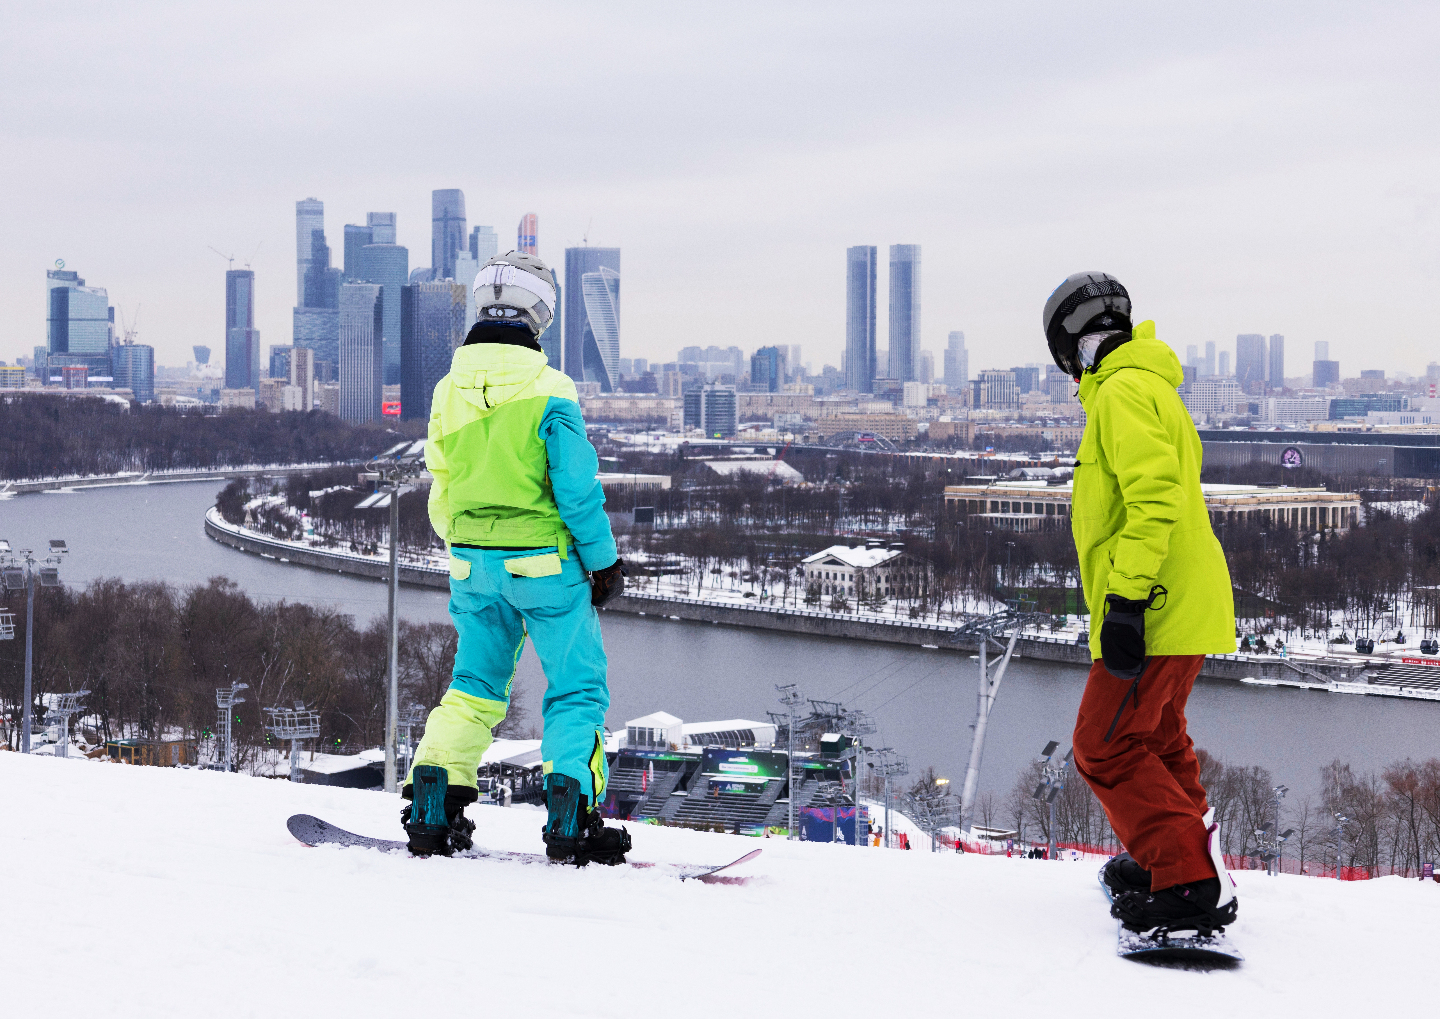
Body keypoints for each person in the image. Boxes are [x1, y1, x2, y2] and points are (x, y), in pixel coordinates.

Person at [401, 251, 630, 866]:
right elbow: (576, 491)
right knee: (576, 690)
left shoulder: (447, 391)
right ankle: (572, 815)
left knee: (473, 685)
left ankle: (434, 796)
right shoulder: (551, 389)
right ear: (541, 314)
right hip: (546, 567)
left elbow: (441, 483)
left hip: (472, 564)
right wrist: (603, 563)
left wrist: (464, 545)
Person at [1043, 272, 1239, 935]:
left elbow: (1153, 498)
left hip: (1154, 601)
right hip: (1185, 598)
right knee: (1158, 738)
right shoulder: (1151, 384)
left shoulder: (1121, 391)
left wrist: (1125, 600)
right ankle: (1187, 860)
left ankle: (1188, 880)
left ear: (1070, 345)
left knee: (1102, 744)